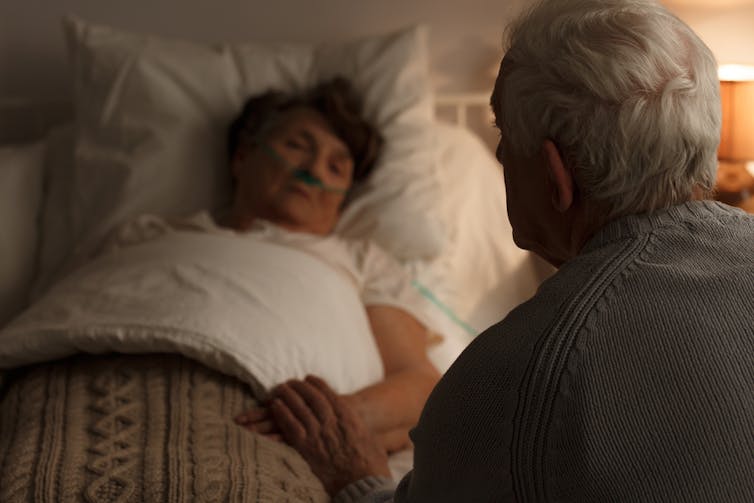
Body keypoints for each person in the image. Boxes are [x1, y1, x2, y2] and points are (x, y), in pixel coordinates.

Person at [259, 1, 754, 501]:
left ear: (554, 176)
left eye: (503, 136)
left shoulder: (512, 380)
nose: (498, 156)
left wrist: (356, 479)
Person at [218, 77, 442, 454]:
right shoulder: (149, 235)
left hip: (273, 437)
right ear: (242, 157)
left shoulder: (361, 262)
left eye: (336, 168)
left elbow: (420, 388)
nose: (315, 170)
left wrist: (324, 420)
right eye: (295, 145)